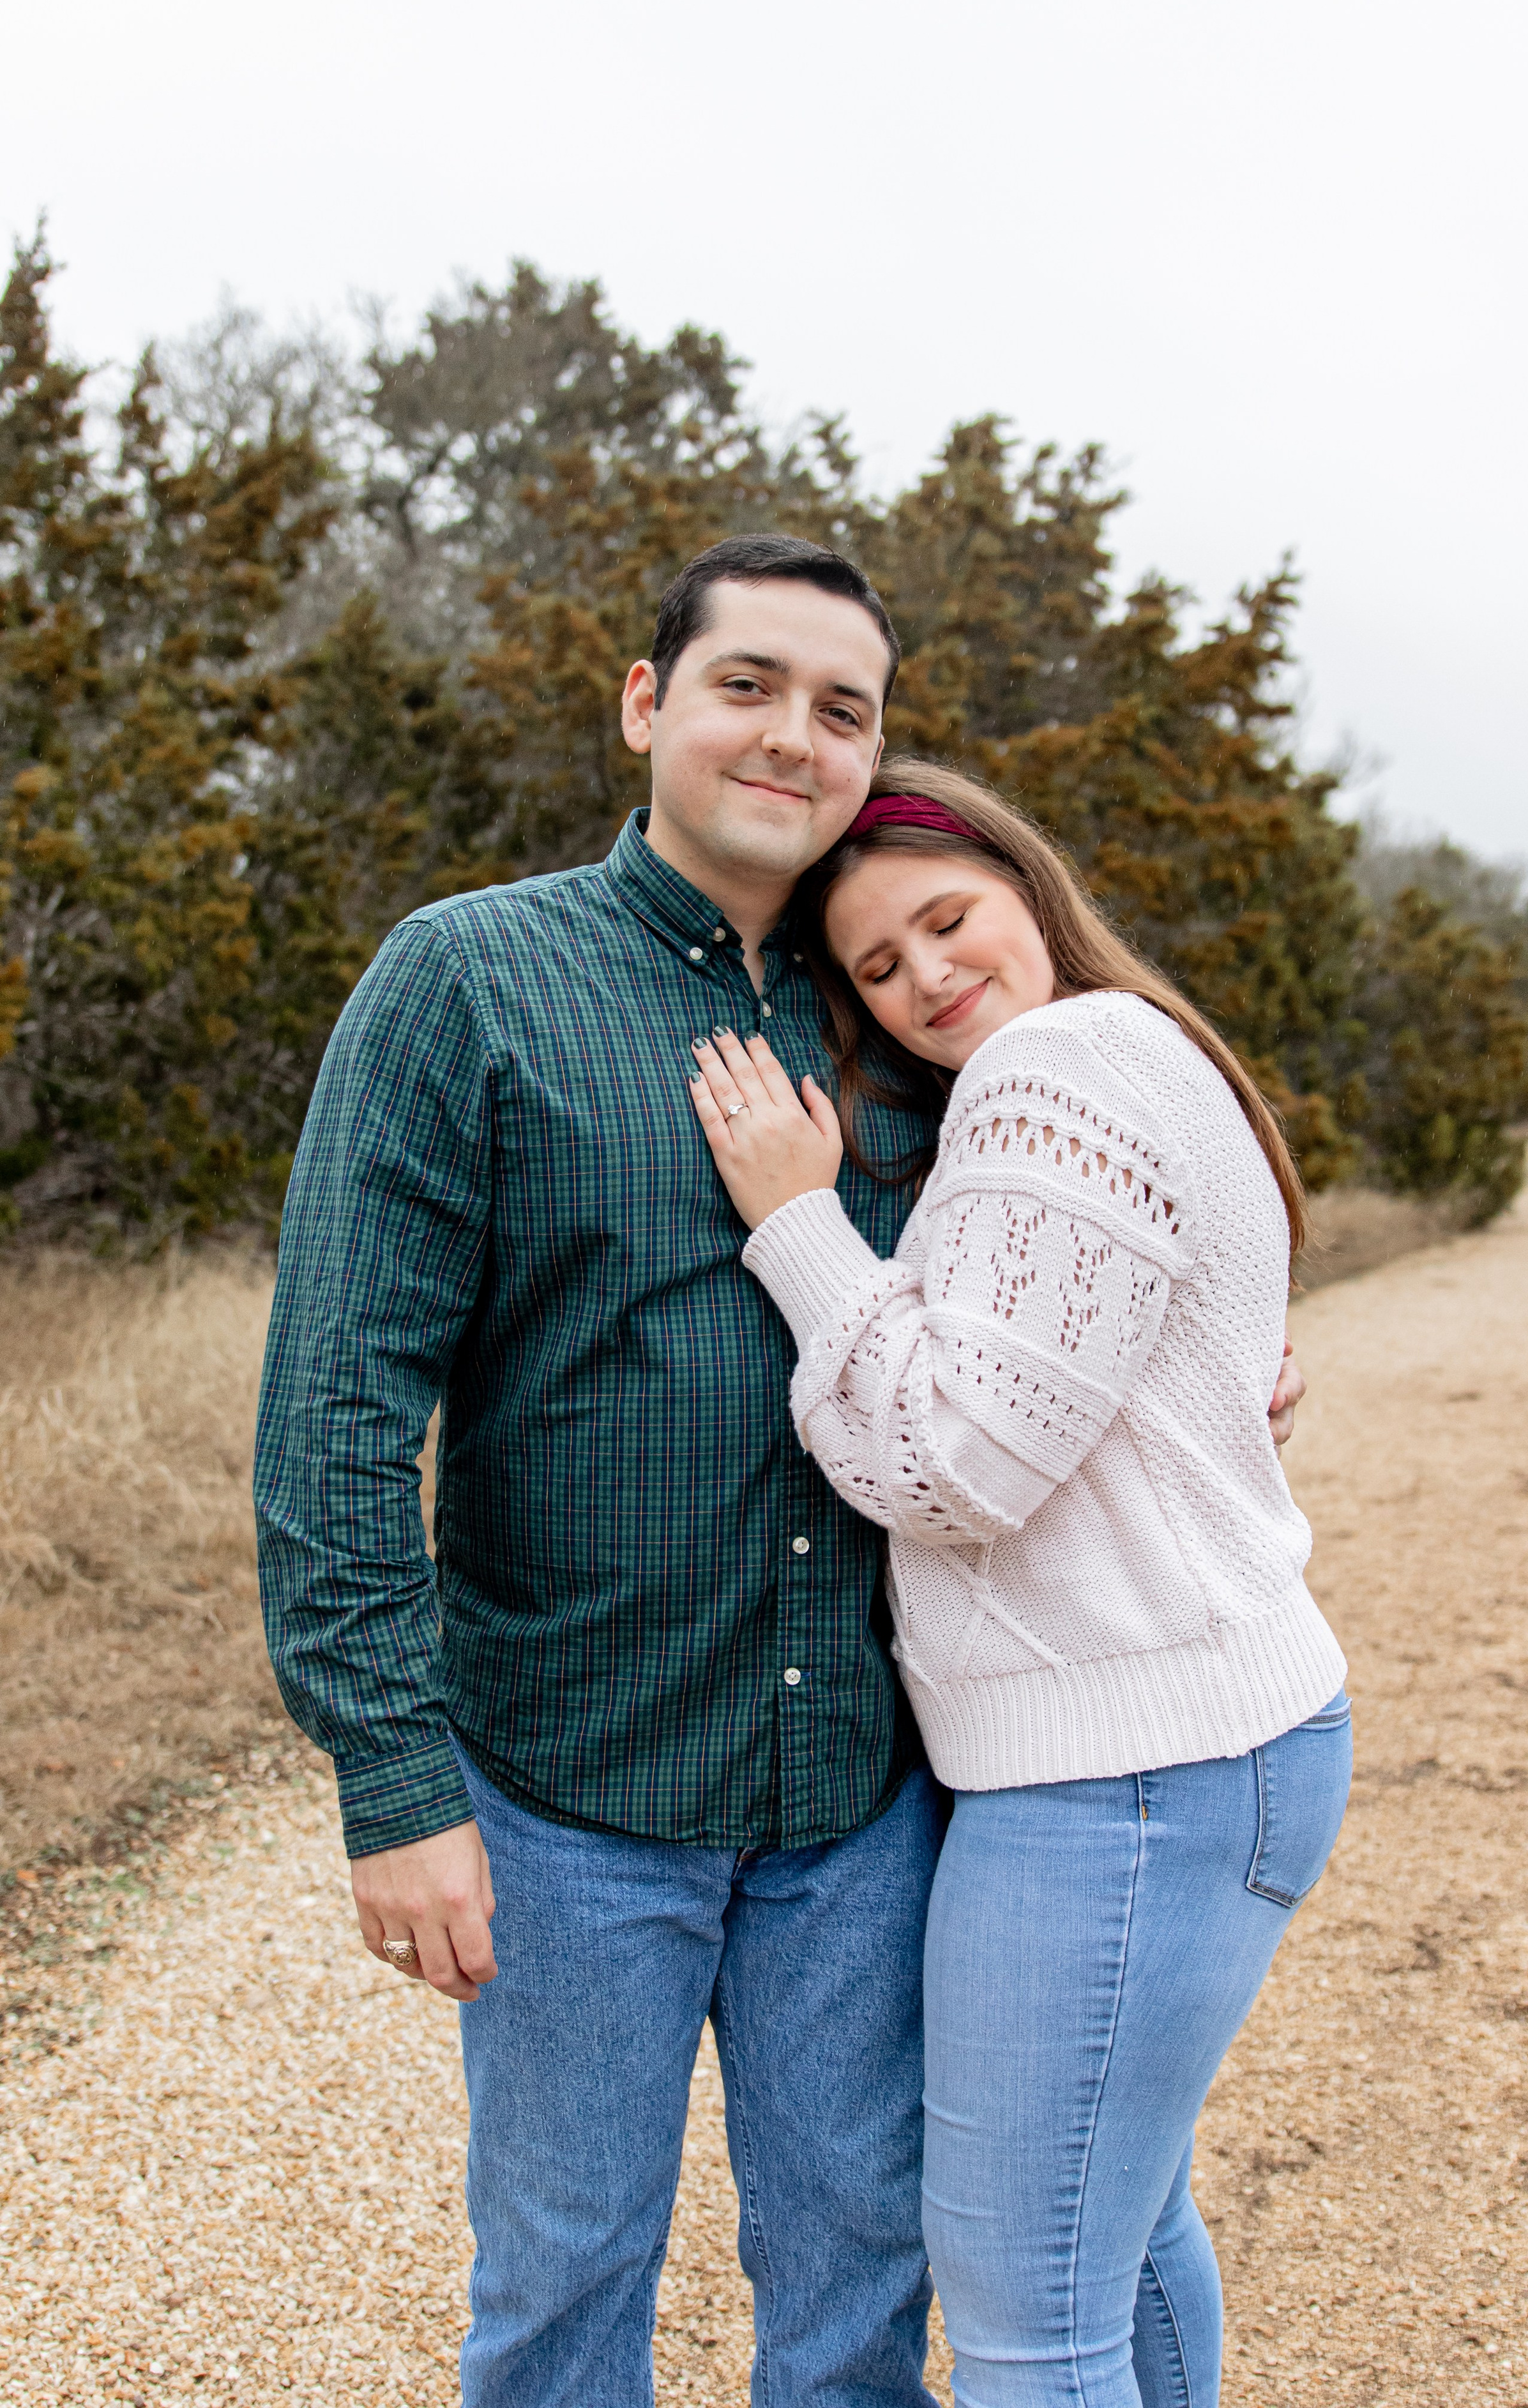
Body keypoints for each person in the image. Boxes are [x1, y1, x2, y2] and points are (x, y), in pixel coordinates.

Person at [255, 538, 1306, 2407]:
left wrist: (1206, 1372)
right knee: (568, 2284)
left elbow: (1050, 1298)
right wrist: (393, 1777)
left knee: (860, 2287)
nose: (794, 735)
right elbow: (339, 1406)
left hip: (870, 1805)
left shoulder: (894, 1017)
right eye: (748, 684)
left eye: (846, 708)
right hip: (572, 1793)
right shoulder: (469, 981)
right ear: (648, 704)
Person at [686, 759, 1349, 2408]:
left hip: (1120, 1782)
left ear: (1026, 887)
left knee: (1027, 2323)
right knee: (1113, 2248)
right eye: (881, 968)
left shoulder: (1053, 1066)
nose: (926, 981)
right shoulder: (1144, 1050)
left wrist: (795, 1224)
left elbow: (952, 1467)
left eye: (948, 920)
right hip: (1208, 1745)